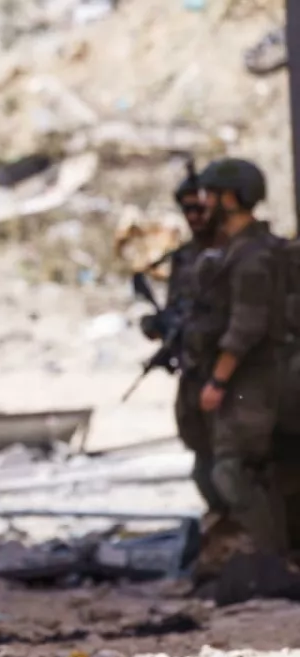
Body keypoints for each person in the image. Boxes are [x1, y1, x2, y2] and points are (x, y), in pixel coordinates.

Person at [185, 157, 286, 555]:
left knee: (234, 471)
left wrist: (218, 380)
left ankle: (272, 560)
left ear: (230, 199)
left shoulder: (254, 256)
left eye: (211, 196)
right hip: (246, 378)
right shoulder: (235, 250)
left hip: (254, 379)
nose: (205, 204)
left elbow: (247, 326)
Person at [140, 164, 224, 517]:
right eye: (187, 209)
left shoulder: (238, 254)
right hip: (194, 373)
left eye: (201, 208)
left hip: (230, 375)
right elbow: (178, 309)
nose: (194, 217)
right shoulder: (185, 257)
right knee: (202, 456)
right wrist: (160, 327)